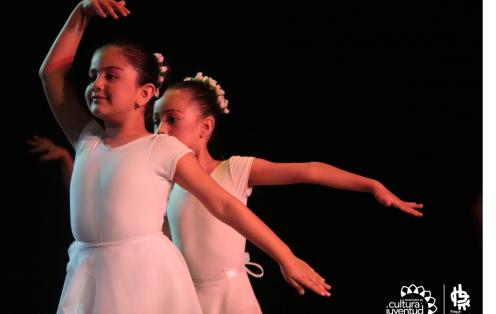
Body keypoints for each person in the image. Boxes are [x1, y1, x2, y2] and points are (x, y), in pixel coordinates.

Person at [39, 1, 331, 313]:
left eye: (112, 76)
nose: (97, 83)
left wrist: (285, 256)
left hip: (145, 278)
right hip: (91, 275)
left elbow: (223, 204)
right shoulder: (86, 139)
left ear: (145, 93)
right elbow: (51, 74)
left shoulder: (161, 148)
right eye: (93, 74)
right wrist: (81, 12)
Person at [153, 72, 424, 314]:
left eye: (172, 119)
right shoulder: (167, 184)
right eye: (156, 121)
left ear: (205, 127)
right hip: (186, 299)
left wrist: (371, 184)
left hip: (230, 299)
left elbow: (310, 171)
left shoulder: (233, 170)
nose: (161, 129)